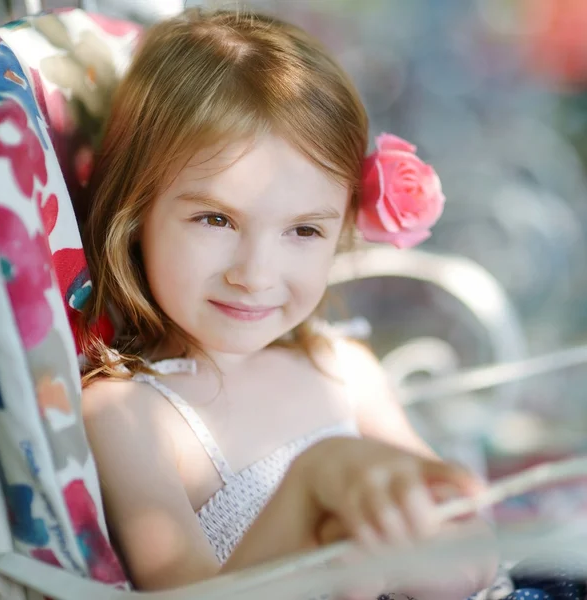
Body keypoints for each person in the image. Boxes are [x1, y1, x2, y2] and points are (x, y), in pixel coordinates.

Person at [78, 7, 494, 597]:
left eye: (303, 231)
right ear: (137, 212)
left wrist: (412, 550)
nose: (255, 274)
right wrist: (313, 488)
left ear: (342, 229)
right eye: (215, 218)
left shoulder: (344, 367)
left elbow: (472, 566)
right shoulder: (127, 416)